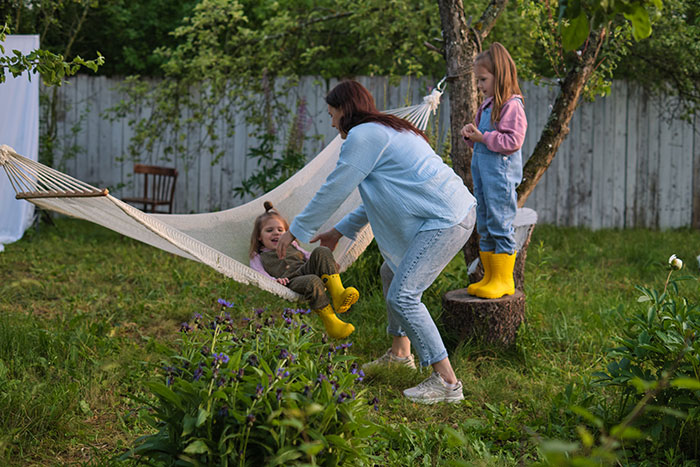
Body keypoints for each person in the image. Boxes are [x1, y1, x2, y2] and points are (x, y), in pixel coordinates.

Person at [276, 80, 477, 404]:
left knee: (404, 295)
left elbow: (334, 188)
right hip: (447, 214)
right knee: (389, 272)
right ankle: (400, 353)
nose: (331, 123)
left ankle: (447, 382)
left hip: (446, 219)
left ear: (345, 109)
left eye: (331, 114)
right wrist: (339, 231)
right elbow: (379, 196)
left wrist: (295, 230)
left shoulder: (364, 135)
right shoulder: (387, 130)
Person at [460, 42, 527, 299]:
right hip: (483, 180)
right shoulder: (487, 105)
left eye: (483, 79)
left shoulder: (512, 106)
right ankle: (490, 277)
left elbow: (512, 142)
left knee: (501, 226)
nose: (479, 85)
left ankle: (504, 279)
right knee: (485, 227)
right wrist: (471, 135)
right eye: (478, 80)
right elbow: (483, 137)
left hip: (499, 180)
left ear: (500, 76)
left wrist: (483, 137)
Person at [249, 201, 359, 339]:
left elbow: (308, 256)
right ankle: (333, 323)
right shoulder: (258, 255)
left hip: (304, 269)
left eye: (280, 230)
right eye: (269, 230)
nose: (276, 234)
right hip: (292, 280)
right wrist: (274, 281)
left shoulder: (292, 244)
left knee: (322, 251)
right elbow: (258, 272)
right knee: (313, 281)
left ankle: (339, 294)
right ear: (259, 237)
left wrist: (328, 262)